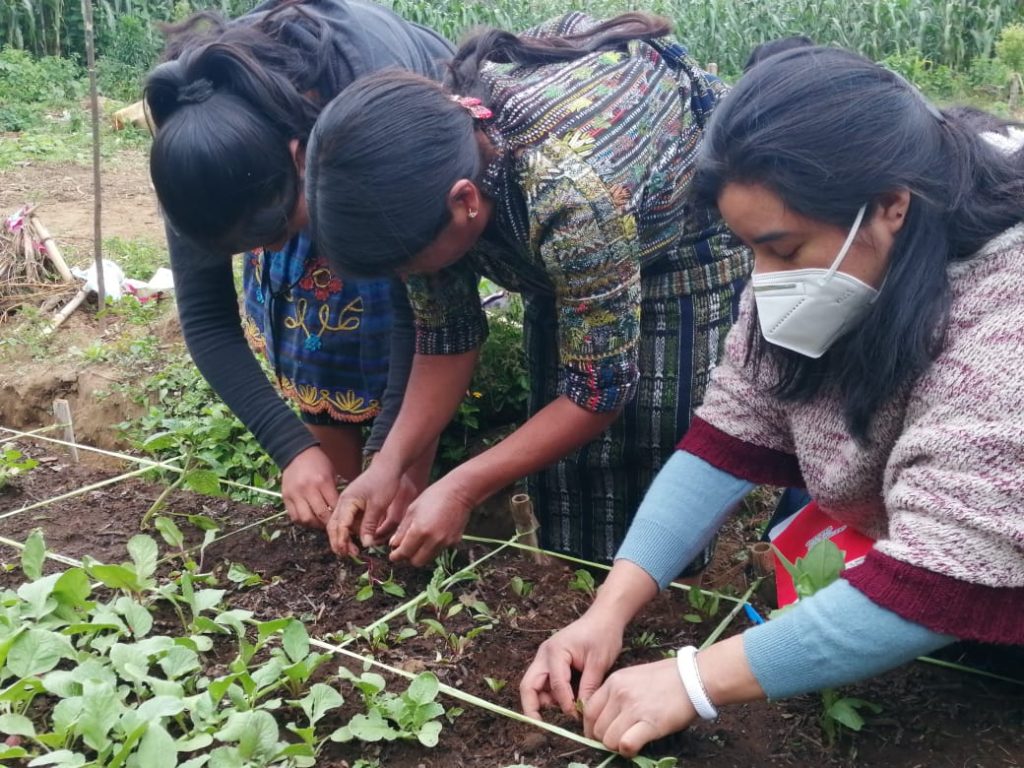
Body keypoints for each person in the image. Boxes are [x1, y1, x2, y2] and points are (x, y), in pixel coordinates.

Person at [519, 46, 1024, 757]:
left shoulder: (1006, 324)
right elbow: (725, 439)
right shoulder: (834, 261)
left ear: (891, 206)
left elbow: (947, 568)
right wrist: (609, 609)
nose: (764, 281)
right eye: (751, 249)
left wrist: (693, 681)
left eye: (784, 250)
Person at [304, 12, 752, 567]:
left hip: (679, 236)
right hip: (573, 234)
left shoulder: (571, 197)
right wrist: (388, 464)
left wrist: (463, 487)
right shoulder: (423, 174)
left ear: (465, 202)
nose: (405, 275)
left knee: (653, 430)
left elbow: (599, 391)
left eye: (406, 264)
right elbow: (445, 338)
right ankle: (571, 575)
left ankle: (664, 586)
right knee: (560, 444)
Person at [144, 0, 452, 528]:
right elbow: (206, 317)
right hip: (285, 171)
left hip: (403, 144)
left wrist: (391, 457)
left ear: (298, 158)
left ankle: (396, 507)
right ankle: (344, 506)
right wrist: (291, 448)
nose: (268, 252)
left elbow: (423, 309)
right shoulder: (195, 150)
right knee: (313, 322)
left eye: (277, 235)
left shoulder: (372, 104)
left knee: (396, 467)